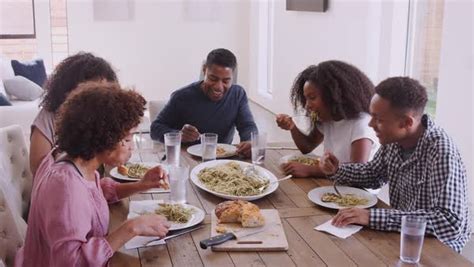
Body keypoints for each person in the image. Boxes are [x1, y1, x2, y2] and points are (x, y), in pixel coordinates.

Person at [16, 82, 171, 266]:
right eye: (128, 139)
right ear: (105, 137)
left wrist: (141, 184)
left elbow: (96, 194)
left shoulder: (76, 161)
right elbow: (70, 262)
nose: (132, 147)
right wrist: (131, 228)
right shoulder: (65, 187)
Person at [320, 77, 471, 252]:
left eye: (378, 119)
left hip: (439, 247)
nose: (370, 124)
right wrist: (337, 169)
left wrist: (371, 217)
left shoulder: (442, 151)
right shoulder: (393, 140)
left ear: (407, 123)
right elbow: (373, 174)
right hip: (402, 231)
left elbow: (449, 222)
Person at [276, 60, 379, 177]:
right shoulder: (329, 118)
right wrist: (292, 126)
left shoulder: (361, 124)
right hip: (333, 184)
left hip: (357, 192)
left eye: (312, 97)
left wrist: (311, 170)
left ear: (333, 95)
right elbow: (307, 146)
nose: (307, 105)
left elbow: (357, 172)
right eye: (306, 99)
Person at [150, 48, 258, 158]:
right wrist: (179, 135)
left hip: (221, 160)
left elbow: (247, 125)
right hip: (185, 159)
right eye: (213, 78)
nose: (218, 87)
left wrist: (250, 141)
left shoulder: (238, 94)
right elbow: (155, 128)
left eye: (226, 81)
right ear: (204, 70)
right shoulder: (182, 96)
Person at [30, 52, 118, 175]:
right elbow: (39, 170)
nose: (100, 98)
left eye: (105, 91)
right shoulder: (48, 118)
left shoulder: (102, 116)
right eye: (94, 90)